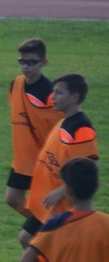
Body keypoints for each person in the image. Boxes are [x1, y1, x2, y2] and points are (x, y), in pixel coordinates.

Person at [19, 73, 99, 249]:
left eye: (59, 93)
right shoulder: (64, 121)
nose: (52, 97)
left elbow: (90, 167)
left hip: (61, 203)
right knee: (26, 239)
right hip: (47, 202)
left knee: (47, 247)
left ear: (75, 97)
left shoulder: (81, 128)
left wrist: (61, 191)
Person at [5, 38, 60, 222]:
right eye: (22, 61)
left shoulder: (50, 93)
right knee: (13, 198)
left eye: (31, 62)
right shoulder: (16, 84)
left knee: (46, 204)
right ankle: (47, 227)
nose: (25, 66)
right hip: (23, 159)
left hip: (44, 161)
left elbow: (58, 127)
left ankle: (48, 228)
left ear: (43, 63)